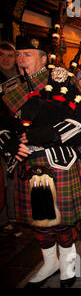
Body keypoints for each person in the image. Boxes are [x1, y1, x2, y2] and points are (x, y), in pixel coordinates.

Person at [1, 35, 81, 287]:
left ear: (43, 58)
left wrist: (48, 134)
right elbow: (3, 124)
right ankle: (49, 262)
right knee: (41, 220)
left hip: (58, 159)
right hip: (29, 161)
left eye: (27, 54)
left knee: (61, 220)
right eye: (19, 55)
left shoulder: (61, 80)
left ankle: (70, 261)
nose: (20, 59)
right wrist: (9, 142)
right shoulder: (10, 89)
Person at [0, 41, 22, 238]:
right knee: (4, 179)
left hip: (21, 132)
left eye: (9, 55)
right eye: (2, 55)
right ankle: (5, 219)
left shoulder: (22, 78)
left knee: (17, 176)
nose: (6, 60)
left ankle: (17, 216)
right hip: (2, 135)